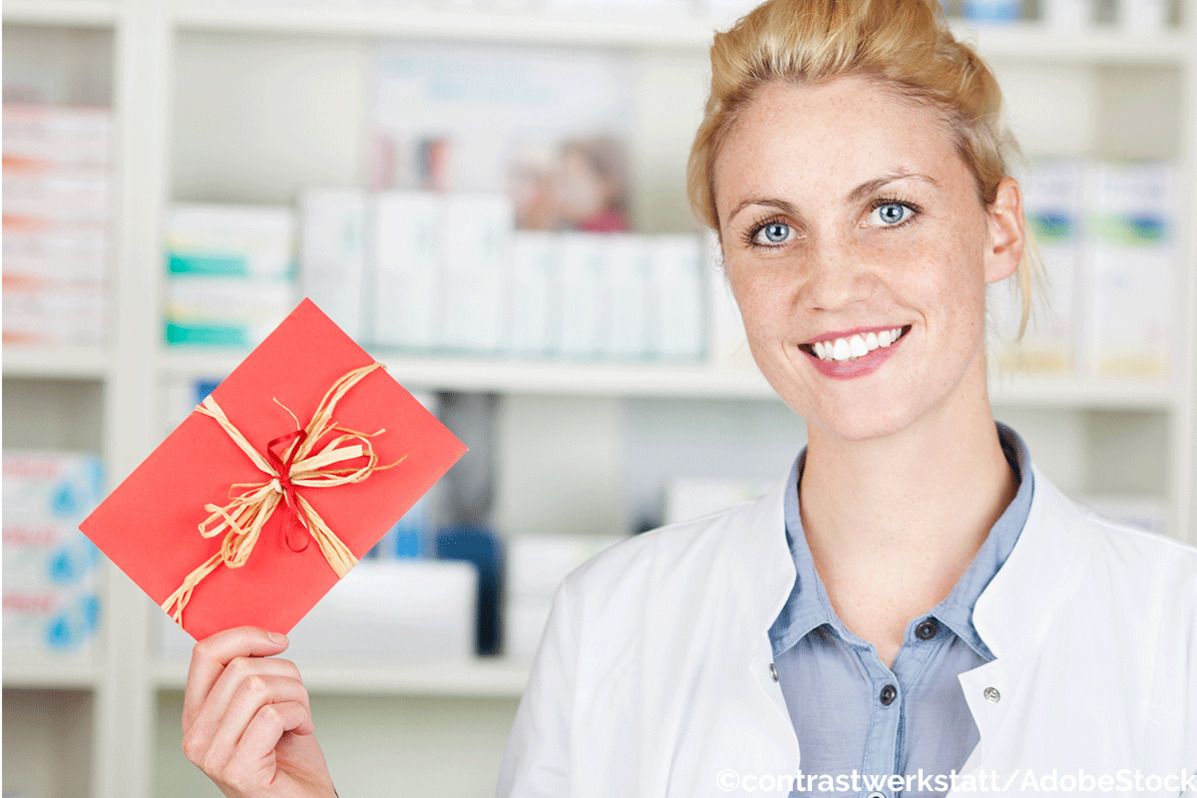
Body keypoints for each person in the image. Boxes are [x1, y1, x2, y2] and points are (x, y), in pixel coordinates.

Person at [180, 1, 1197, 796]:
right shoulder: (610, 622)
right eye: (771, 230)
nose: (829, 284)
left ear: (999, 231)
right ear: (727, 267)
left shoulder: (1172, 630)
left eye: (890, 211)